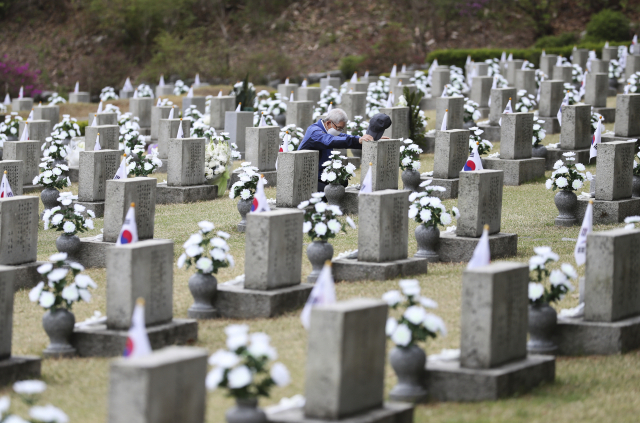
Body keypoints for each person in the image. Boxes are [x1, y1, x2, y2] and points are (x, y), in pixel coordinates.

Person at [298, 108, 391, 191]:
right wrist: (357, 140)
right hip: (305, 177)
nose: (339, 131)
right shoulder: (314, 131)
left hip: (321, 174)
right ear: (329, 123)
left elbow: (345, 137)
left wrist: (369, 140)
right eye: (339, 128)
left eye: (341, 129)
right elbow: (329, 140)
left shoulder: (328, 130)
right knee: (332, 190)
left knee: (343, 182)